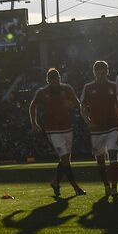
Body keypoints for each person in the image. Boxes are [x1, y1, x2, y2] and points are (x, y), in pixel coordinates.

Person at [30, 68, 86, 198]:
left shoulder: (67, 89)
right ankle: (76, 188)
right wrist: (33, 122)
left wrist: (74, 106)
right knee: (65, 159)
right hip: (53, 130)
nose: (55, 82)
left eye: (57, 79)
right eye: (52, 80)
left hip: (67, 128)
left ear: (60, 78)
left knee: (65, 159)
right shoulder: (42, 92)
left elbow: (77, 104)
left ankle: (55, 182)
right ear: (48, 80)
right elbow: (32, 106)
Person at [80, 60, 118, 202]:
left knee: (112, 155)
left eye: (103, 70)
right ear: (94, 72)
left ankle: (115, 187)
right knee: (100, 160)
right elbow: (82, 107)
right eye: (97, 71)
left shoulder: (113, 86)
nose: (100, 73)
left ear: (107, 71)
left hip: (112, 126)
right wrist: (88, 122)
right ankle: (106, 185)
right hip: (97, 128)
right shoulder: (88, 87)